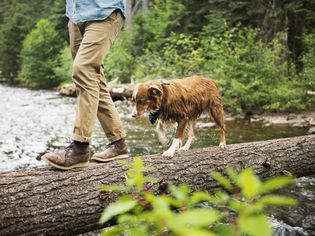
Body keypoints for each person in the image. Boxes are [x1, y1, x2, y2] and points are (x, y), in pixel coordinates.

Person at [41, 0, 128, 170]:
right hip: (75, 15)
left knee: (83, 69)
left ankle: (80, 148)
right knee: (93, 78)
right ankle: (118, 144)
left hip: (104, 11)